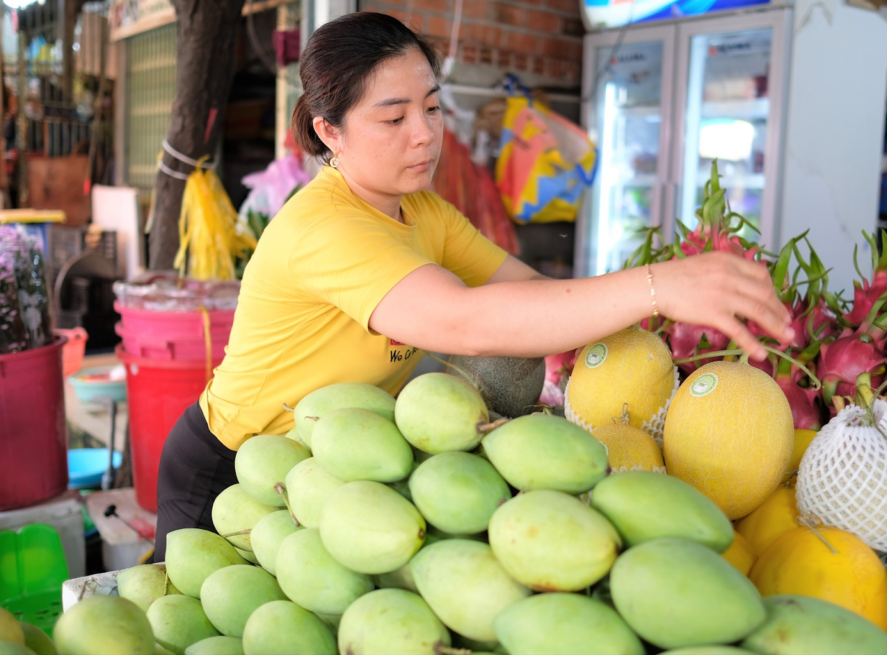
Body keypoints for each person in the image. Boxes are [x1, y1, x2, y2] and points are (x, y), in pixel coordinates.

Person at [152, 11, 793, 560]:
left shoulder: (421, 210)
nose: (425, 134)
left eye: (431, 107)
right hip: (230, 466)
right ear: (329, 130)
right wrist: (657, 285)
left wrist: (649, 321)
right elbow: (466, 322)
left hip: (328, 465)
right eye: (393, 117)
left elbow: (529, 291)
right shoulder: (325, 228)